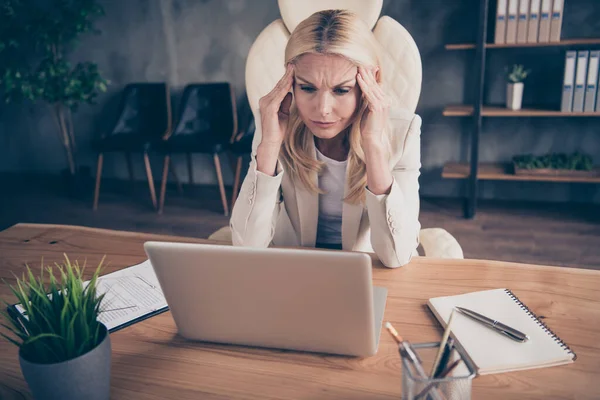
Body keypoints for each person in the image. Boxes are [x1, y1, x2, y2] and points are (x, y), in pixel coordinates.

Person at [230, 9, 421, 268]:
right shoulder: (274, 124)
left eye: (341, 90)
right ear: (290, 82)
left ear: (371, 83)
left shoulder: (403, 131)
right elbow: (246, 247)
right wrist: (270, 145)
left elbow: (395, 256)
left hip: (366, 271)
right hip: (294, 269)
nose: (323, 109)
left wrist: (374, 146)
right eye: (307, 88)